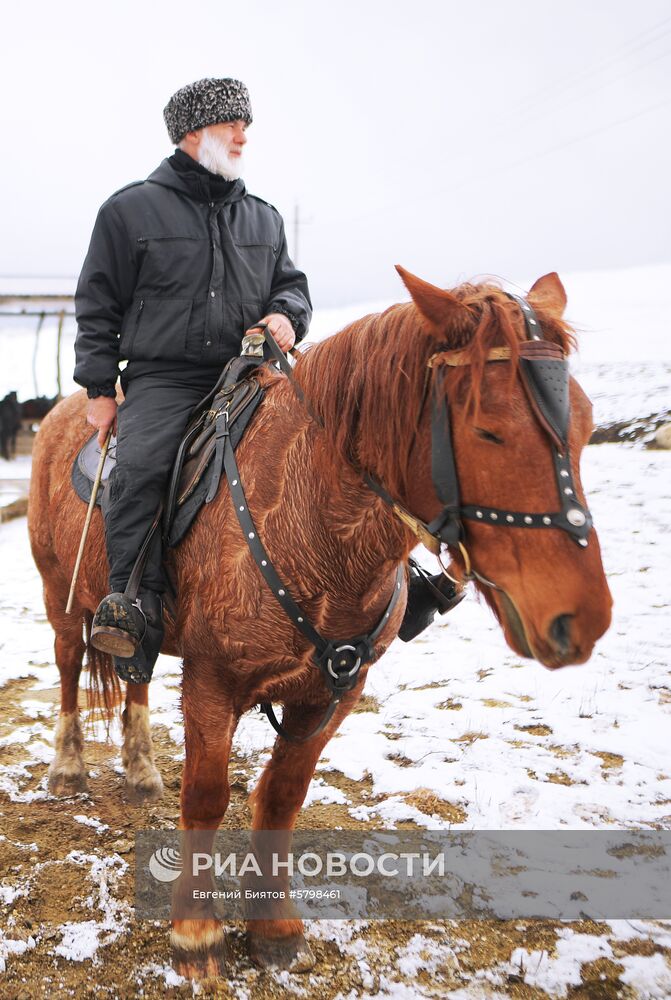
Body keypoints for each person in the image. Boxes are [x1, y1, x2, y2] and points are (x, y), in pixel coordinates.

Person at [74, 78, 312, 683]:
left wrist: (286, 314)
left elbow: (292, 285)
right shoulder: (128, 211)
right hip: (166, 379)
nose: (243, 135)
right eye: (231, 123)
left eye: (245, 124)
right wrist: (101, 390)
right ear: (191, 133)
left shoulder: (263, 217)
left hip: (252, 373)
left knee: (328, 438)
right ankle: (132, 608)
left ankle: (383, 591)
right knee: (144, 467)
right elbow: (97, 305)